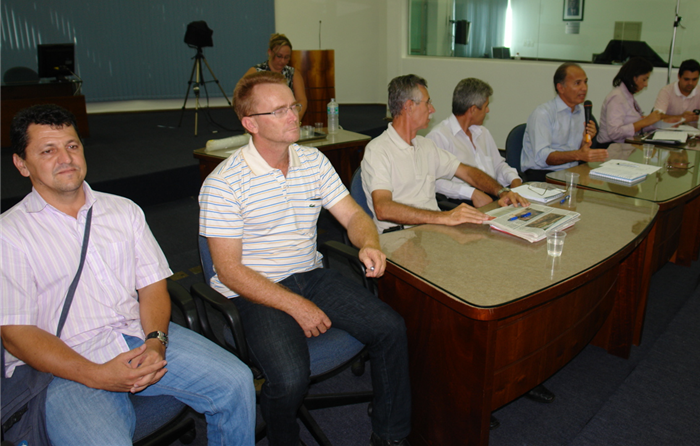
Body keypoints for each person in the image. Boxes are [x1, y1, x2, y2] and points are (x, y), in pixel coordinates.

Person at [0, 105, 255, 446]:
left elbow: (152, 287)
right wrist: (96, 374)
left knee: (237, 382)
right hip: (64, 363)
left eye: (72, 146)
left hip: (134, 334)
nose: (66, 158)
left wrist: (156, 342)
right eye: (48, 150)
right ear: (21, 163)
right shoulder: (9, 234)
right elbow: (16, 334)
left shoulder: (123, 210)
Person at [198, 71, 411, 446]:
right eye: (278, 111)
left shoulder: (312, 161)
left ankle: (391, 434)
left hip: (310, 274)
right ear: (250, 124)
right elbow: (229, 271)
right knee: (290, 376)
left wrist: (368, 242)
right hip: (254, 288)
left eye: (292, 106)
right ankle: (284, 438)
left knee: (390, 328)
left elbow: (355, 216)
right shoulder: (223, 184)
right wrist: (296, 306)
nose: (293, 115)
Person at [361, 74, 528, 234]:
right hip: (399, 238)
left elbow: (467, 172)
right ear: (409, 107)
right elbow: (383, 208)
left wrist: (501, 192)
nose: (432, 110)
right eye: (428, 103)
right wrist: (444, 217)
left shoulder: (425, 146)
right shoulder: (378, 150)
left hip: (431, 231)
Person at [426, 77, 522, 207]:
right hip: (463, 203)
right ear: (472, 110)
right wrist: (471, 193)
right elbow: (435, 182)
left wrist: (514, 179)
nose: (488, 111)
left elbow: (498, 165)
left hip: (495, 195)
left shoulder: (483, 133)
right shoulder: (439, 136)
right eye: (486, 106)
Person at [521, 63, 609, 182]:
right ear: (561, 88)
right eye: (577, 83)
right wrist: (578, 154)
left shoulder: (583, 112)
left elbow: (578, 153)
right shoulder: (543, 114)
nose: (584, 88)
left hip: (571, 172)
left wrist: (585, 143)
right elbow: (543, 158)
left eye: (585, 82)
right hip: (542, 174)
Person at [597, 57, 682, 144]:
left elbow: (638, 127)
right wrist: (645, 121)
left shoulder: (628, 96)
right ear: (633, 77)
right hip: (609, 148)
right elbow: (614, 133)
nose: (646, 84)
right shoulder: (617, 98)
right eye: (644, 79)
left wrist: (663, 124)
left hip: (625, 146)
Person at [239, 32, 308, 120]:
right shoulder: (255, 72)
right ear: (270, 52)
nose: (282, 61)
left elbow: (302, 101)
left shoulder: (293, 73)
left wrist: (296, 116)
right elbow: (241, 96)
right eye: (279, 56)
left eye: (286, 57)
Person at [653, 59, 700, 127]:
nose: (690, 83)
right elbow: (656, 117)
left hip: (691, 135)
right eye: (686, 79)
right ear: (679, 76)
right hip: (667, 132)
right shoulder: (666, 91)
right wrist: (682, 118)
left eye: (694, 79)